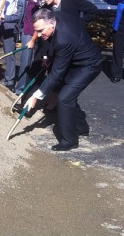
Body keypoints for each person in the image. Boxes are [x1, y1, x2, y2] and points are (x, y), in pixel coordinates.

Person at [24, 9, 103, 151]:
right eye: (37, 31)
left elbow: (56, 74)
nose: (40, 35)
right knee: (69, 95)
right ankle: (81, 128)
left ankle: (70, 140)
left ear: (52, 23)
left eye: (41, 31)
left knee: (64, 98)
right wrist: (46, 57)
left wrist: (36, 96)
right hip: (74, 59)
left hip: (89, 64)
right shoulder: (56, 18)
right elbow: (50, 44)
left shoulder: (64, 39)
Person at [3, 0, 42, 95]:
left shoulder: (43, 1)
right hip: (28, 34)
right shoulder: (24, 0)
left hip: (42, 35)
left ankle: (37, 89)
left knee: (40, 62)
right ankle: (20, 90)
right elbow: (18, 16)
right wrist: (4, 17)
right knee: (25, 62)